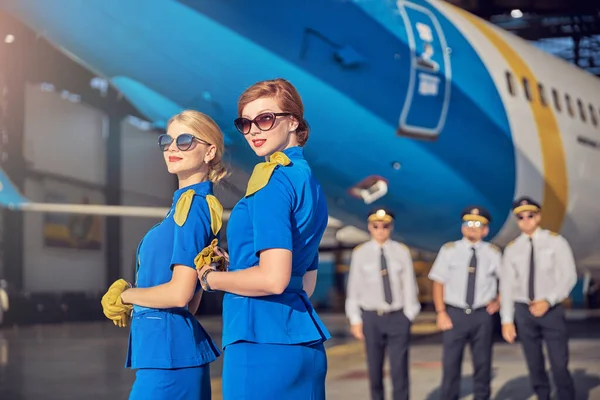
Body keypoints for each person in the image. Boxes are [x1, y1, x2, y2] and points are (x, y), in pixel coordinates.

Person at [196, 78, 330, 399]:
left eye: (265, 119)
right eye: (246, 123)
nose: (254, 130)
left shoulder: (272, 181)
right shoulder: (311, 183)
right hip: (303, 342)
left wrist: (212, 279)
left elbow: (273, 279)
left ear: (293, 121)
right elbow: (304, 283)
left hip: (260, 341)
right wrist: (242, 267)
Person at [100, 109, 226, 399]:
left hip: (169, 360)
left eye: (184, 140)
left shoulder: (192, 208)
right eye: (166, 141)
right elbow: (191, 303)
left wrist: (126, 296)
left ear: (209, 152)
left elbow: (180, 295)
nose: (172, 147)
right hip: (166, 354)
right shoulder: (184, 208)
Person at [500, 196, 577, 400]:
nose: (526, 220)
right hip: (524, 311)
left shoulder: (556, 242)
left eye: (530, 215)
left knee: (559, 364)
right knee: (534, 364)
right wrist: (507, 320)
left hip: (551, 309)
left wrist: (548, 300)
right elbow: (507, 286)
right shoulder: (512, 248)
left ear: (539, 216)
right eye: (520, 217)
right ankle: (542, 396)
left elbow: (569, 277)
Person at [345, 207, 421, 400]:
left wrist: (409, 313)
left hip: (397, 316)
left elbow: (410, 286)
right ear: (369, 227)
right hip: (372, 317)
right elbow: (354, 288)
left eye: (385, 226)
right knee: (374, 369)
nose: (380, 230)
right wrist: (355, 319)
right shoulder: (360, 253)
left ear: (391, 227)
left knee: (399, 369)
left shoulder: (401, 252)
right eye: (376, 226)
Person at [428, 206, 501, 400]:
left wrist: (499, 301)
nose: (473, 228)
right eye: (469, 223)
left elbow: (508, 281)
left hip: (482, 315)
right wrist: (441, 312)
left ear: (485, 230)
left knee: (483, 364)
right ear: (462, 227)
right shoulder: (449, 250)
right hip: (455, 314)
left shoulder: (493, 253)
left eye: (478, 224)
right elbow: (438, 282)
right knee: (451, 364)